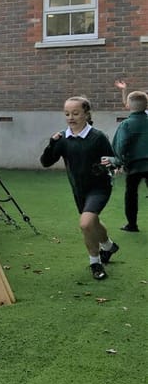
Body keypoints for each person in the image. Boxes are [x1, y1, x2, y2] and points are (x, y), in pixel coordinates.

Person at [40, 96, 119, 280]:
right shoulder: (62, 139)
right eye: (67, 114)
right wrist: (52, 144)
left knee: (85, 223)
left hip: (100, 187)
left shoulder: (98, 137)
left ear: (86, 114)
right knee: (92, 222)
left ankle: (95, 263)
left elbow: (113, 160)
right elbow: (45, 162)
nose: (71, 117)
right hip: (79, 190)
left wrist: (110, 163)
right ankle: (109, 246)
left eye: (75, 113)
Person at [109, 91, 148, 232]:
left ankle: (132, 224)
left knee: (131, 194)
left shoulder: (126, 124)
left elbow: (120, 146)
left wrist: (119, 162)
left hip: (134, 165)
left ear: (128, 106)